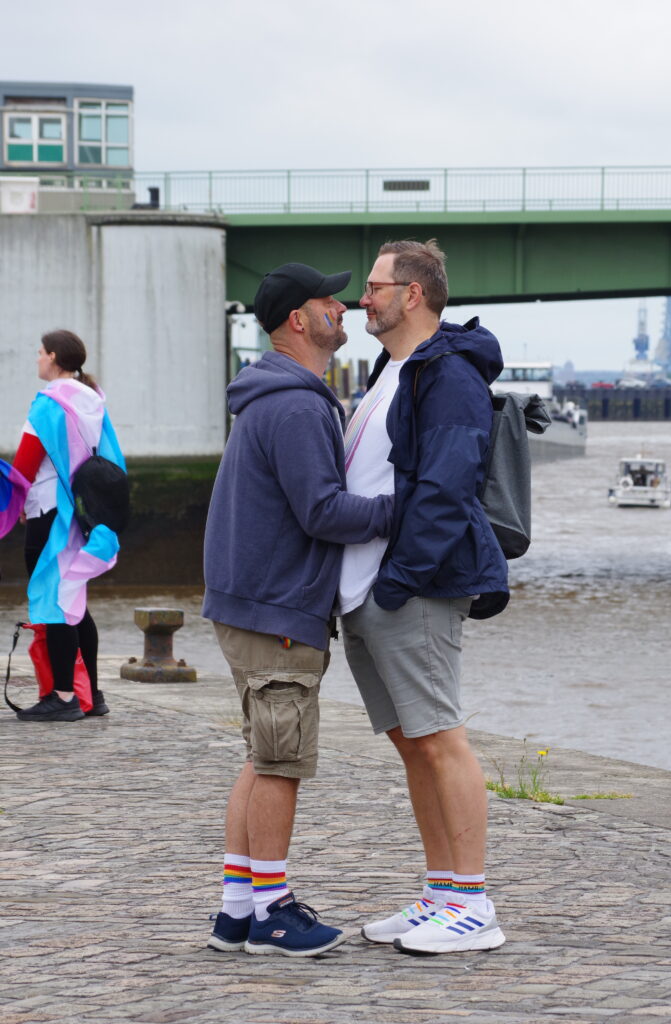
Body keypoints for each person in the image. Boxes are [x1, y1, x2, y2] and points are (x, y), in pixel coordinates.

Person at [202, 262, 393, 958]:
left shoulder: (275, 396)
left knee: (261, 755)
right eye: (328, 301)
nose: (342, 308)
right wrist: (409, 510)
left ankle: (235, 910)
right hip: (277, 606)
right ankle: (274, 913)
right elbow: (323, 511)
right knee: (280, 761)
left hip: (250, 600)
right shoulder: (297, 404)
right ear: (297, 321)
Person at [339, 240, 509, 956]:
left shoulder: (447, 373)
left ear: (412, 294)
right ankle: (441, 893)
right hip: (371, 587)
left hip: (410, 588)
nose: (362, 300)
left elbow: (446, 487)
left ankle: (472, 905)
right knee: (413, 745)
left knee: (440, 738)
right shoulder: (393, 370)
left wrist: (399, 580)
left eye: (374, 287)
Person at [0, 329, 125, 722]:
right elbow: (109, 455)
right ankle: (93, 695)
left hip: (48, 513)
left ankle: (65, 696)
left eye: (40, 353)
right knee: (75, 603)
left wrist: (15, 502)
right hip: (82, 513)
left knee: (53, 602)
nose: (36, 359)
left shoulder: (48, 405)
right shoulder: (93, 399)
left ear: (54, 357)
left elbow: (23, 467)